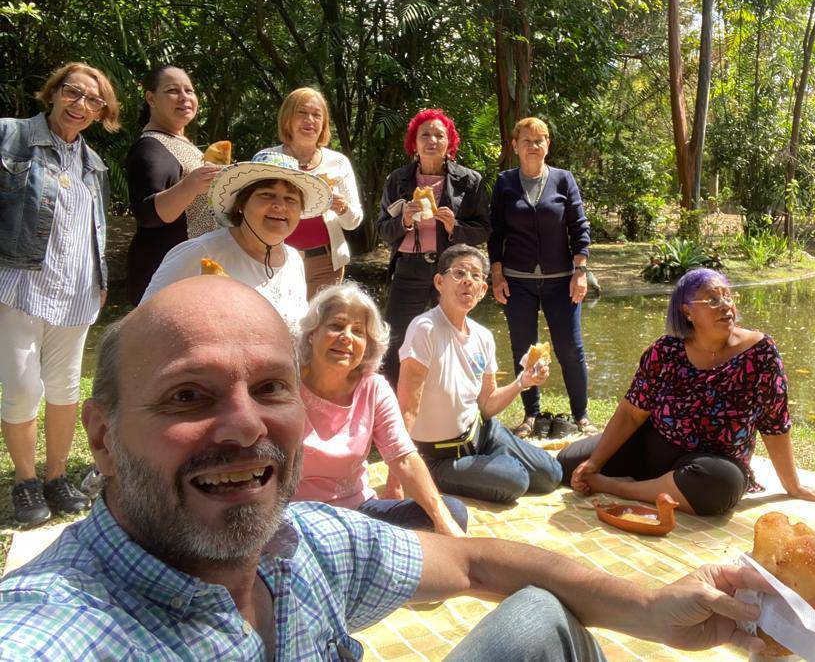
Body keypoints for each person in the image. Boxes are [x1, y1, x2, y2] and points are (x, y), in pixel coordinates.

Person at [0, 276, 775, 660]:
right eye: (188, 396)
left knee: (539, 608)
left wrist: (653, 606)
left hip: (389, 491)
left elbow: (474, 561)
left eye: (268, 389)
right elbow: (414, 447)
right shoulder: (59, 631)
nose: (243, 424)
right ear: (102, 437)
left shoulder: (299, 545)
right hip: (434, 464)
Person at [558, 268, 815, 518]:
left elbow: (774, 422)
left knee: (718, 487)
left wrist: (792, 485)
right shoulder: (665, 350)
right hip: (653, 449)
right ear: (687, 312)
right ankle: (657, 486)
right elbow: (631, 413)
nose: (725, 305)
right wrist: (594, 463)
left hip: (714, 464)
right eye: (712, 300)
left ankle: (620, 487)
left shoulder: (760, 352)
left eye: (727, 296)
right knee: (569, 465)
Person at [0, 62, 119, 527]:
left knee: (66, 386)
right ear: (53, 92)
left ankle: (55, 478)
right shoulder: (11, 137)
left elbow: (95, 228)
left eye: (93, 100)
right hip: (20, 284)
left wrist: (101, 279)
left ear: (100, 112)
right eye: (73, 92)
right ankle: (26, 481)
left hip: (77, 290)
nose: (80, 105)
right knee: (23, 388)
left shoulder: (94, 164)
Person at [394, 245, 564, 504]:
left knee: (552, 474)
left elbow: (486, 404)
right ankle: (441, 474)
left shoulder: (483, 337)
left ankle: (492, 464)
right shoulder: (424, 329)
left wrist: (523, 381)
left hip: (483, 433)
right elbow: (407, 409)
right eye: (459, 273)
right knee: (516, 480)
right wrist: (398, 478)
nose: (468, 281)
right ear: (439, 282)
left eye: (475, 276)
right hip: (438, 457)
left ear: (483, 290)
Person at [294, 281, 468, 535]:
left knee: (452, 512)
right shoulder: (286, 385)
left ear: (367, 345)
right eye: (336, 326)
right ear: (312, 334)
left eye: (358, 331)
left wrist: (442, 520)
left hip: (358, 514)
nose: (346, 337)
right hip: (297, 518)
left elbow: (403, 456)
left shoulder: (373, 388)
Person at [142, 150, 331, 331]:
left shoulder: (294, 260)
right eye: (267, 194)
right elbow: (143, 322)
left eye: (291, 199)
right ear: (241, 203)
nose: (280, 206)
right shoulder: (201, 253)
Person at [489, 117, 595, 438]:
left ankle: (581, 416)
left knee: (569, 348)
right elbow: (496, 233)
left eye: (539, 140)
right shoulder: (505, 182)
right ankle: (530, 414)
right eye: (526, 140)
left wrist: (580, 271)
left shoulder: (563, 179)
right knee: (524, 349)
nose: (533, 146)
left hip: (561, 280)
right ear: (515, 146)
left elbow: (579, 227)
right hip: (517, 280)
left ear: (547, 145)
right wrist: (497, 275)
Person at [376, 109, 491, 387]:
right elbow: (382, 229)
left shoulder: (469, 181)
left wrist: (455, 227)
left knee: (452, 335)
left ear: (449, 142)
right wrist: (403, 221)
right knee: (396, 339)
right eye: (424, 135)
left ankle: (451, 396)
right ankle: (393, 400)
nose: (432, 140)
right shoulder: (398, 180)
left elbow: (484, 229)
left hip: (450, 270)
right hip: (408, 268)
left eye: (439, 135)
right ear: (413, 143)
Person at [125, 65, 222, 305]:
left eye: (189, 90)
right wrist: (190, 185)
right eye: (172, 90)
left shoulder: (182, 143)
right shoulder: (150, 146)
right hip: (166, 272)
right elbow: (148, 214)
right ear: (151, 99)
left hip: (194, 268)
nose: (184, 97)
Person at [256, 87, 362, 300]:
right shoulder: (266, 159)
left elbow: (353, 222)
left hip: (325, 264)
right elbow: (253, 211)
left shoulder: (338, 162)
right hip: (275, 258)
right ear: (287, 119)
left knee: (318, 320)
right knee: (278, 318)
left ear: (324, 123)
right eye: (302, 113)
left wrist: (342, 208)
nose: (309, 120)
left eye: (316, 115)